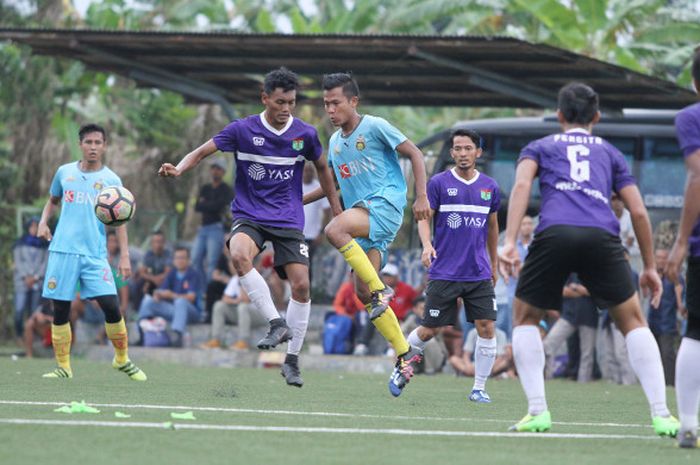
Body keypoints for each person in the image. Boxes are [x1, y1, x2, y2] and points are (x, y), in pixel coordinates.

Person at [499, 82, 677, 435]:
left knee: (525, 319)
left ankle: (538, 411)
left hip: (554, 233)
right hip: (602, 235)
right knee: (634, 322)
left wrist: (508, 242)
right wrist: (651, 268)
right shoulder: (610, 153)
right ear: (596, 116)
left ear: (559, 115)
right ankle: (662, 414)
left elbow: (520, 188)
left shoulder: (539, 146)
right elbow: (638, 212)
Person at [159, 68, 342, 387]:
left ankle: (293, 361)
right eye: (280, 102)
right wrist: (179, 169)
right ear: (265, 99)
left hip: (287, 219)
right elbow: (202, 152)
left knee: (301, 286)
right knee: (239, 254)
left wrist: (337, 212)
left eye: (292, 102)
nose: (286, 109)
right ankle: (276, 322)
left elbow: (324, 169)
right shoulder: (242, 130)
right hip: (250, 214)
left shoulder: (305, 135)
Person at [303, 73, 430, 396]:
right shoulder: (334, 143)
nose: (330, 110)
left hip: (384, 205)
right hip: (363, 221)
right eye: (326, 104)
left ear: (353, 101)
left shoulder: (375, 126)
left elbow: (415, 153)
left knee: (335, 229)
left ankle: (381, 288)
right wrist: (295, 199)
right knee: (363, 294)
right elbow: (330, 183)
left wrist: (421, 196)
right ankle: (405, 353)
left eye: (336, 103)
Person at [37, 123, 146, 381]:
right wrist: (43, 221)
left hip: (95, 255)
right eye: (89, 142)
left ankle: (122, 359)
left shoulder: (111, 180)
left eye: (98, 143)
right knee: (60, 309)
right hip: (63, 251)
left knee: (111, 306)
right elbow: (52, 201)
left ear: (105, 146)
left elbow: (120, 222)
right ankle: (63, 367)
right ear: (81, 144)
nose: (93, 147)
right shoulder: (64, 173)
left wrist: (125, 256)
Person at [409, 128, 501, 403]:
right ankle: (402, 365)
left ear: (478, 152)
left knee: (486, 326)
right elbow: (423, 217)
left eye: (468, 148)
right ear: (452, 153)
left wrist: (493, 264)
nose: (463, 153)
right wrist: (427, 245)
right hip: (445, 271)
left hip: (478, 272)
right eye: (458, 149)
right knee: (429, 329)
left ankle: (479, 388)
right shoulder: (438, 183)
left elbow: (493, 228)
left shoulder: (490, 187)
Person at [666, 48, 700, 449]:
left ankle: (689, 423)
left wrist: (679, 242)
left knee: (695, 331)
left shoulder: (691, 117)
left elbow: (697, 178)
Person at [137, 246, 202, 347]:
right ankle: (141, 334)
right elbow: (162, 291)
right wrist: (158, 295)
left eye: (182, 258)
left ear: (188, 260)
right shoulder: (172, 273)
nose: (179, 261)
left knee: (180, 301)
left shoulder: (193, 274)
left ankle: (177, 335)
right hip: (174, 311)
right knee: (148, 300)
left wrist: (172, 295)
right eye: (177, 258)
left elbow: (191, 297)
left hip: (191, 312)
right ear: (173, 260)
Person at [353, 263, 418, 356]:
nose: (386, 279)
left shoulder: (407, 289)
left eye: (389, 276)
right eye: (384, 276)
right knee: (372, 315)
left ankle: (393, 348)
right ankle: (362, 345)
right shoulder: (376, 288)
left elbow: (417, 302)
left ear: (396, 277)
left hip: (402, 319)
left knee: (410, 316)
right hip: (384, 316)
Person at [543, 275, 598, 382]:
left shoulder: (594, 269)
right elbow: (560, 290)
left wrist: (576, 288)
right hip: (568, 315)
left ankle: (583, 383)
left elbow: (598, 290)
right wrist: (582, 292)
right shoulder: (569, 270)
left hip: (589, 316)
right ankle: (546, 377)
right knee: (548, 344)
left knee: (587, 354)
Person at [191, 159, 234, 282]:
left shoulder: (226, 189)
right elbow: (197, 206)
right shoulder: (205, 188)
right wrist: (213, 205)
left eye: (218, 169)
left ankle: (208, 295)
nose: (215, 171)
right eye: (213, 168)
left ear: (223, 172)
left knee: (212, 262)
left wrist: (207, 204)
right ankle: (201, 290)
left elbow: (221, 207)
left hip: (217, 228)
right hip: (203, 228)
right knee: (195, 259)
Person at [648, 248, 684, 387]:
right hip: (653, 322)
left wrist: (677, 288)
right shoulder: (652, 276)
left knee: (667, 355)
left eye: (664, 257)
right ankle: (656, 384)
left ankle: (671, 384)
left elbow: (680, 303)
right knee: (654, 357)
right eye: (658, 257)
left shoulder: (674, 277)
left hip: (668, 324)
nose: (661, 260)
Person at [13, 217, 48, 341]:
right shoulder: (20, 243)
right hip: (22, 281)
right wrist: (26, 277)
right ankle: (19, 335)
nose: (34, 229)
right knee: (19, 309)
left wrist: (36, 277)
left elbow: (45, 263)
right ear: (27, 227)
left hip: (37, 282)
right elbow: (18, 262)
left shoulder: (44, 244)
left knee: (34, 311)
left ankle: (33, 339)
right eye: (32, 226)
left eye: (36, 226)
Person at [500, 215, 534, 341]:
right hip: (514, 293)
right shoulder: (511, 247)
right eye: (524, 224)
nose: (527, 226)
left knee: (532, 326)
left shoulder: (537, 245)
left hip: (533, 293)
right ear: (519, 227)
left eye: (529, 223)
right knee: (513, 326)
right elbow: (505, 268)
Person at [302, 162, 331, 283]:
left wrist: (321, 232)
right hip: (296, 233)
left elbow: (327, 211)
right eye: (305, 171)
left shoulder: (319, 187)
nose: (307, 173)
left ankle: (307, 294)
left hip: (312, 235)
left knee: (306, 264)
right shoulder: (294, 186)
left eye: (310, 171)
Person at [130, 230, 171, 311]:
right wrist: (153, 279)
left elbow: (168, 272)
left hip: (165, 279)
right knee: (139, 283)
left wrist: (158, 279)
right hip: (153, 279)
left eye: (160, 242)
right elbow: (142, 272)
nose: (158, 244)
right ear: (151, 243)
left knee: (166, 282)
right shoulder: (148, 254)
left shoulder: (168, 254)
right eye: (155, 242)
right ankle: (137, 310)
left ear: (164, 243)